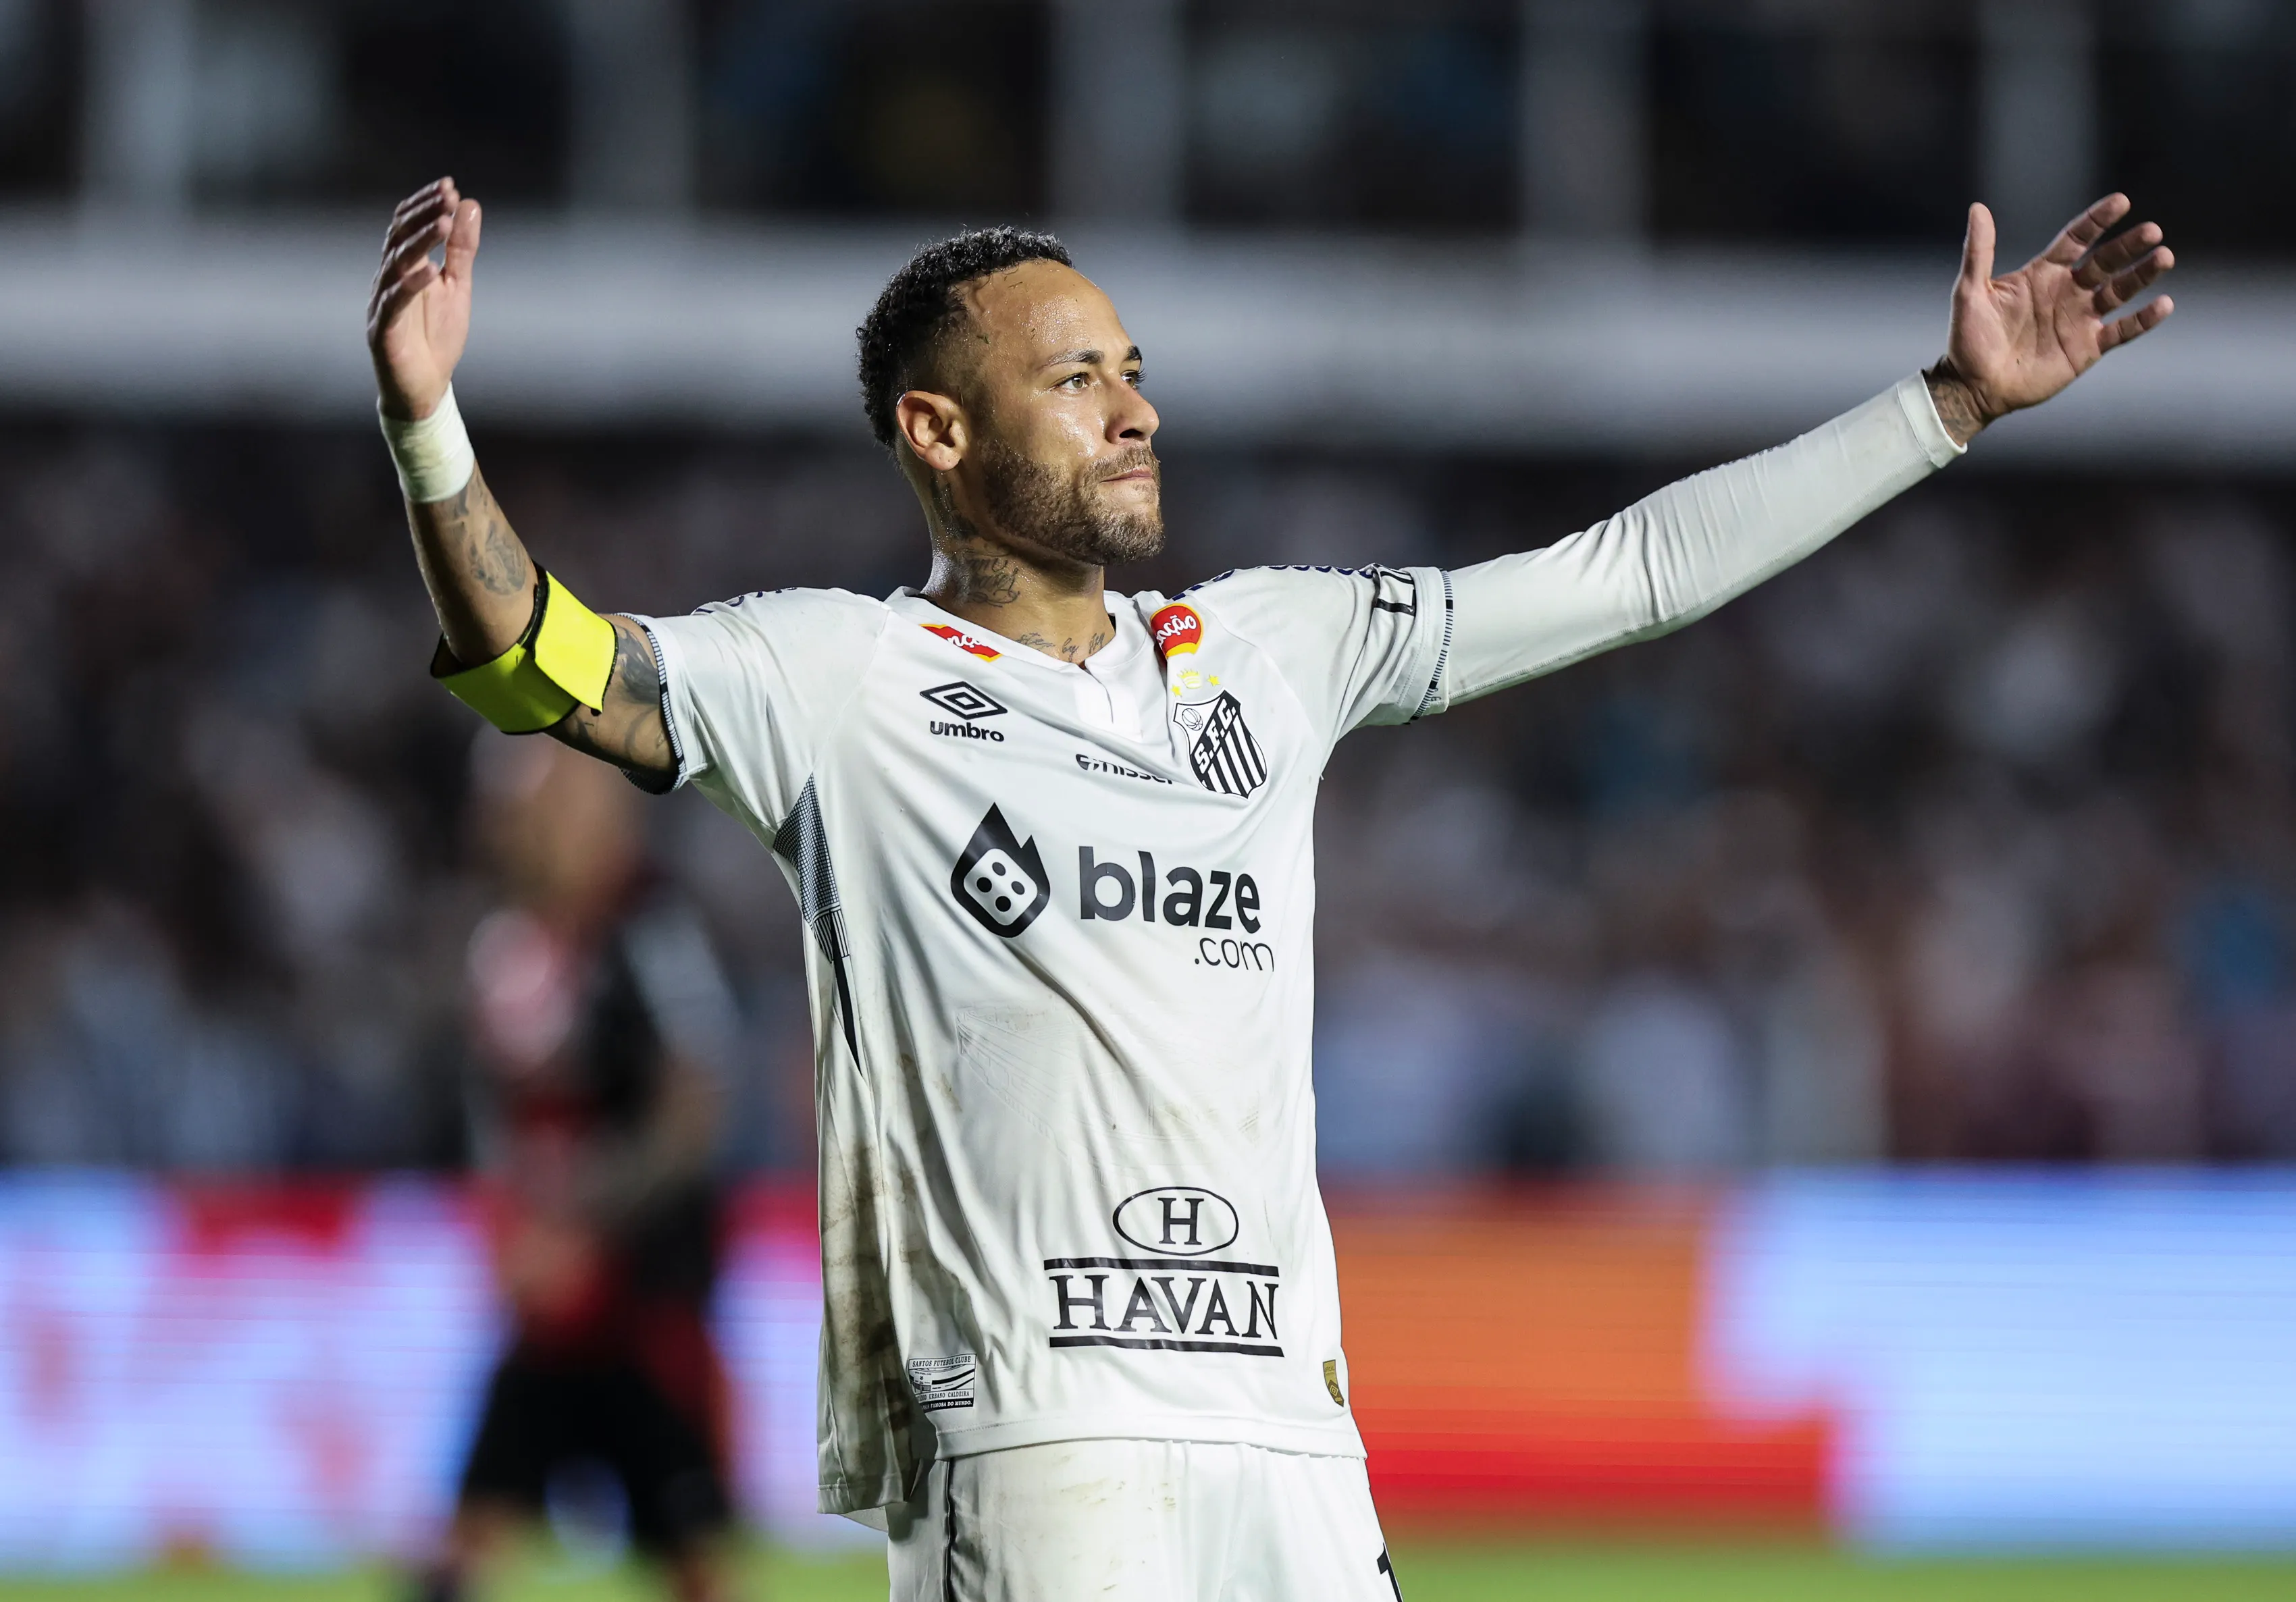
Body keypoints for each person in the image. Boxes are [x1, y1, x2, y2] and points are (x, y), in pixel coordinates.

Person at [366, 176, 2171, 1599]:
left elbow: (1626, 573)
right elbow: (541, 659)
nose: (1136, 407)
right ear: (935, 430)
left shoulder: (1273, 649)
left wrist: (1941, 409)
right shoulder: (831, 683)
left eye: (1135, 369)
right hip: (1039, 1442)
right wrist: (431, 422)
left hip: (1291, 1443)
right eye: (1075, 378)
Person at [417, 736, 741, 1602]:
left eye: (538, 811)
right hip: (552, 1312)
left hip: (647, 1301)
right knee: (459, 1550)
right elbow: (498, 1127)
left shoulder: (649, 928)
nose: (516, 832)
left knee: (692, 1559)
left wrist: (580, 1222)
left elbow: (693, 1107)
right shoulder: (499, 947)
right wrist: (517, 1236)